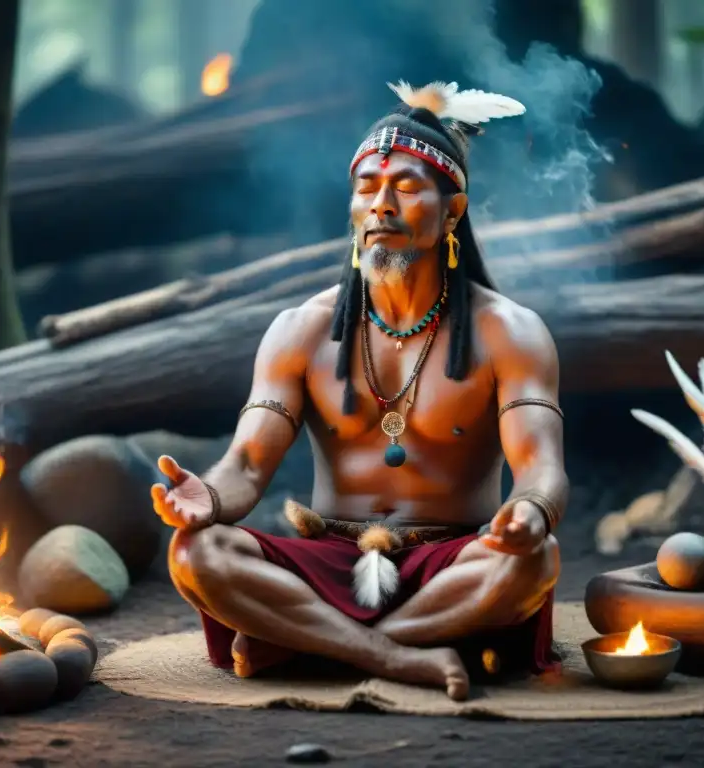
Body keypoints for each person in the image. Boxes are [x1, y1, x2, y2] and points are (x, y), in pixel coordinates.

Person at [152, 80, 568, 701]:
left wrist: (530, 514)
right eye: (366, 188)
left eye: (405, 187)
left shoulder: (508, 332)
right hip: (332, 563)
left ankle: (309, 643)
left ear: (452, 211)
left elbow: (542, 469)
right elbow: (246, 464)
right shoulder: (302, 330)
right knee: (195, 553)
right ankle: (398, 658)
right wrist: (207, 496)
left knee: (535, 560)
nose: (381, 205)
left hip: (453, 564)